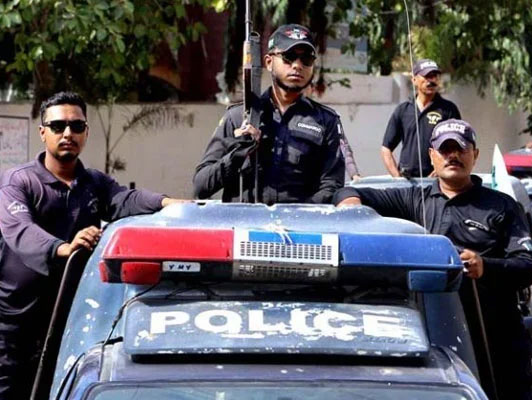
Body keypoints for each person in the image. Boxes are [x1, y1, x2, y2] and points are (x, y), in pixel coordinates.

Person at [336, 119, 532, 400]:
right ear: (432, 156)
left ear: (475, 155)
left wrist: (484, 266)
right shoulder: (415, 201)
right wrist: (350, 203)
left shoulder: (503, 206)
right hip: (435, 338)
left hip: (496, 341)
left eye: (460, 148)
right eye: (445, 149)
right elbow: (348, 191)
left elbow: (527, 266)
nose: (452, 155)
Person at [0, 91, 186, 399]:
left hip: (67, 322)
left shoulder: (93, 183)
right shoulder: (18, 182)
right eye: (58, 126)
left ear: (86, 132)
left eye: (76, 126)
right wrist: (64, 248)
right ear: (43, 132)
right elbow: (19, 230)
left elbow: (125, 199)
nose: (67, 134)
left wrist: (168, 203)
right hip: (14, 324)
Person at [193, 24, 345, 204]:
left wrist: (297, 215)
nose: (297, 65)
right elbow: (201, 186)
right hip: (244, 227)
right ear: (268, 62)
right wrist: (237, 154)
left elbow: (332, 186)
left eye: (306, 59)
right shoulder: (239, 116)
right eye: (289, 57)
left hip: (295, 229)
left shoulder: (325, 121)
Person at [381, 59, 461, 178]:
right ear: (414, 80)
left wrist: (440, 170)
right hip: (407, 181)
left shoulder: (448, 110)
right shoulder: (403, 110)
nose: (431, 80)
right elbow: (386, 149)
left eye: (434, 76)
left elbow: (457, 146)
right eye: (427, 76)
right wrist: (397, 178)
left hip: (437, 182)